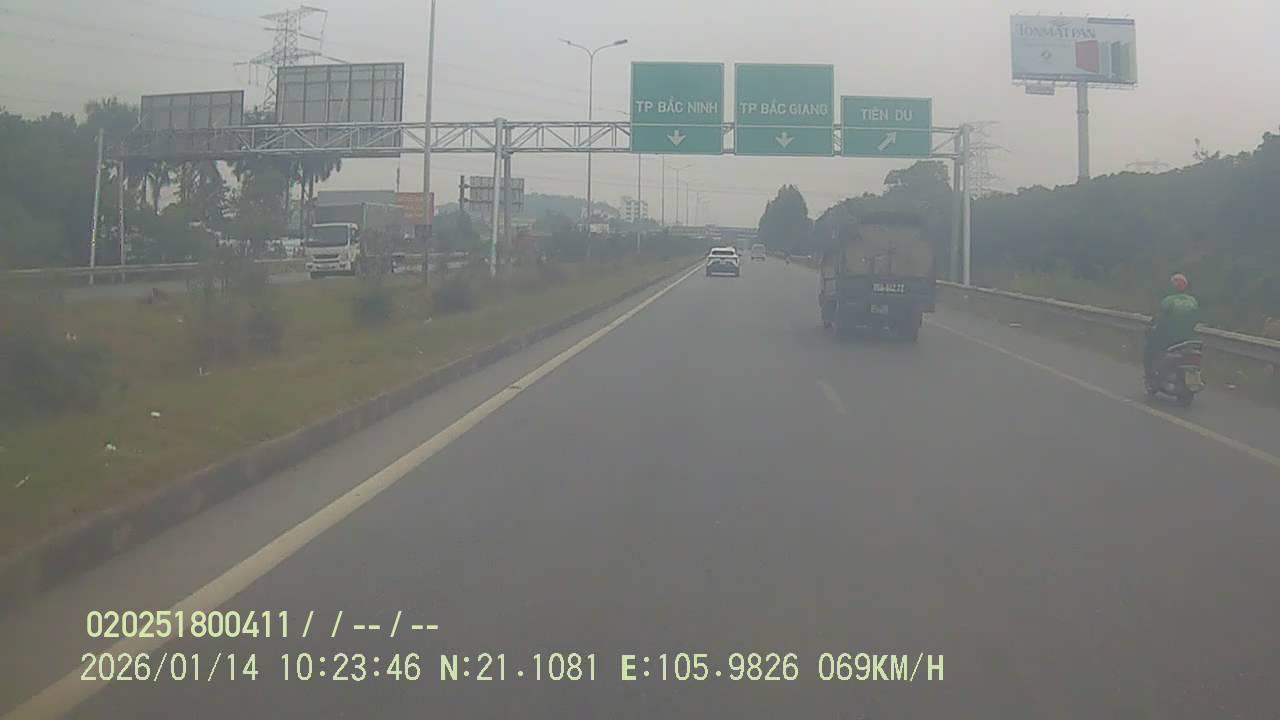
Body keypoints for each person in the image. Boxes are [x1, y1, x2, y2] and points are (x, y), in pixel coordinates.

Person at [1145, 273, 1201, 381]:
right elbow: (1196, 318)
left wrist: (1153, 326)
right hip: (1188, 338)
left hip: (1169, 337)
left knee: (1150, 347)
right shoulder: (1193, 301)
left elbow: (1160, 317)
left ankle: (1151, 374)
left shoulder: (1168, 300)